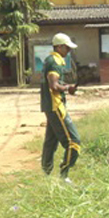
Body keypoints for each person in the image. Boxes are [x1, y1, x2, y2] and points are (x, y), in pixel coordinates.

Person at [40, 33, 81, 183]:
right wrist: (67, 88)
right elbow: (53, 85)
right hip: (55, 105)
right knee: (74, 141)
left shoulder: (52, 60)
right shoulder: (54, 61)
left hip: (50, 106)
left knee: (51, 141)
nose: (69, 51)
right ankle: (64, 174)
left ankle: (46, 174)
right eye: (67, 48)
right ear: (59, 47)